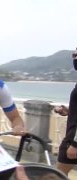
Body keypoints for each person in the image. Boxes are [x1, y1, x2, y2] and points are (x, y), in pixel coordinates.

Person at [55, 48, 77, 176]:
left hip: (72, 139)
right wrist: (70, 112)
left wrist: (75, 144)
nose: (74, 57)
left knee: (57, 175)